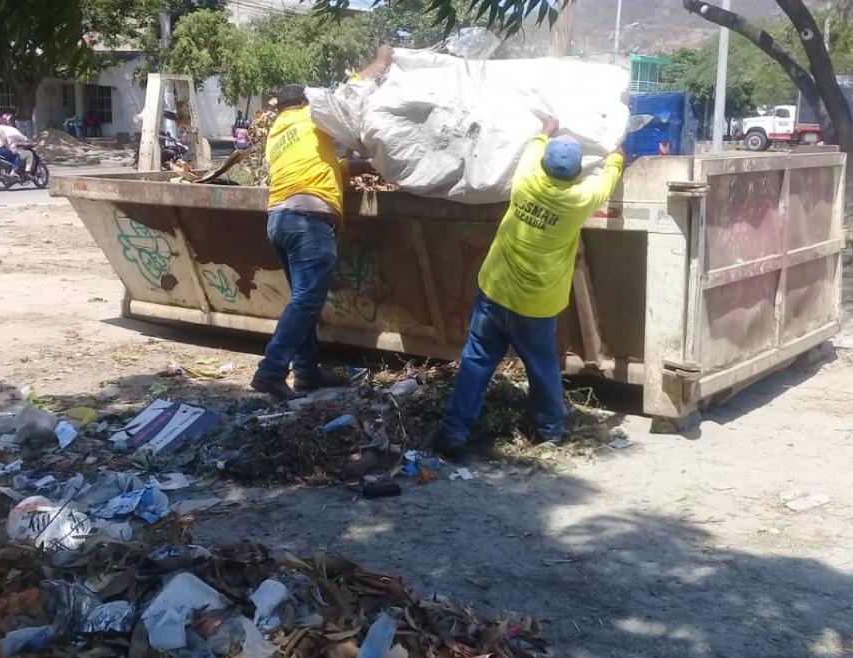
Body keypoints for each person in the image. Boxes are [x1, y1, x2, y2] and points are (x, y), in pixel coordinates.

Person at [435, 116, 625, 456]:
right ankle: (550, 432)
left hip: (494, 294)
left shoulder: (525, 180)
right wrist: (616, 153)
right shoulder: (579, 199)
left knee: (476, 363)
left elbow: (534, 146)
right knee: (542, 369)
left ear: (544, 165)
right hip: (535, 306)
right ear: (577, 172)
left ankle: (453, 432)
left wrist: (547, 128)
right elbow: (609, 177)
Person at [249, 45, 393, 401]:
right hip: (308, 221)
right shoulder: (312, 116)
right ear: (304, 104)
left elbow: (326, 167)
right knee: (306, 302)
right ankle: (270, 371)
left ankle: (307, 375)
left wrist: (368, 166)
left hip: (279, 220)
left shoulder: (277, 135)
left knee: (304, 300)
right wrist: (380, 62)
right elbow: (348, 92)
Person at [0, 113, 29, 177]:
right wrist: (28, 141)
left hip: (1, 149)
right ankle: (15, 171)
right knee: (28, 154)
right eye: (12, 120)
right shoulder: (12, 129)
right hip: (11, 150)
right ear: (9, 121)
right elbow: (22, 138)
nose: (13, 121)